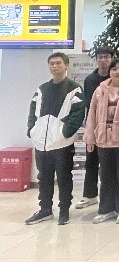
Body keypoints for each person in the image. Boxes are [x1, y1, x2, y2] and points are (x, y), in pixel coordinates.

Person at [25, 52, 84, 226]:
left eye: (58, 63)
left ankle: (64, 211)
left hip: (62, 143)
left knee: (64, 178)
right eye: (51, 63)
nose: (55, 66)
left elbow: (78, 114)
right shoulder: (42, 88)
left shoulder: (74, 89)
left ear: (66, 65)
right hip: (41, 143)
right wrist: (32, 130)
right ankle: (45, 210)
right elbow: (32, 111)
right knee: (44, 178)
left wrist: (64, 133)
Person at [84, 58, 119, 224]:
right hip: (104, 141)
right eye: (114, 69)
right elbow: (92, 115)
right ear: (109, 72)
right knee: (106, 176)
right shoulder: (100, 90)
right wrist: (90, 138)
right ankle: (106, 209)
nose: (117, 72)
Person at [76, 46, 115, 210]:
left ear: (112, 58)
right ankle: (90, 195)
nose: (103, 60)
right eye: (100, 57)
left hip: (113, 126)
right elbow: (89, 106)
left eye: (106, 57)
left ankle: (112, 196)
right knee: (91, 160)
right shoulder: (90, 80)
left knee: (111, 163)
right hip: (94, 124)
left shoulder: (117, 77)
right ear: (96, 59)